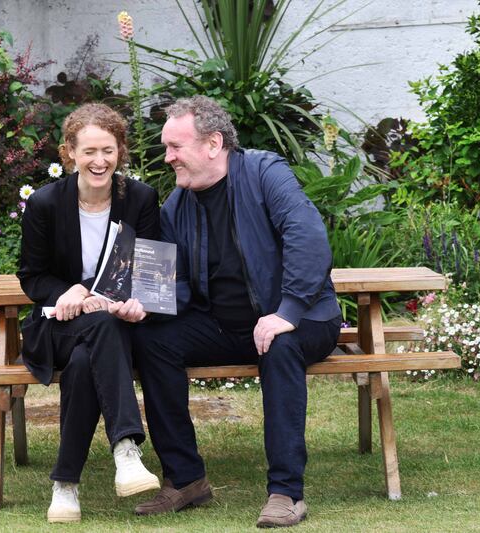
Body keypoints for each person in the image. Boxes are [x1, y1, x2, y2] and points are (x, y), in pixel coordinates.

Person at [132, 96, 341, 528]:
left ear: (213, 143)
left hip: (304, 318)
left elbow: (309, 237)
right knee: (152, 341)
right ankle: (186, 479)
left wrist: (288, 311)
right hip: (226, 326)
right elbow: (175, 283)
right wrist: (144, 303)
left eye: (175, 146)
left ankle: (286, 493)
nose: (167, 157)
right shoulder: (177, 204)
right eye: (165, 147)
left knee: (280, 346)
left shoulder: (265, 172)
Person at [18, 103, 161, 523]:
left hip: (117, 327)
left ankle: (66, 486)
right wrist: (70, 291)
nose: (99, 161)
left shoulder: (140, 198)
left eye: (108, 151)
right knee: (90, 334)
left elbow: (150, 272)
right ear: (70, 153)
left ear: (121, 151)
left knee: (87, 358)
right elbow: (31, 277)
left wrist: (139, 301)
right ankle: (126, 450)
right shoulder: (45, 203)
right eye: (89, 151)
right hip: (58, 326)